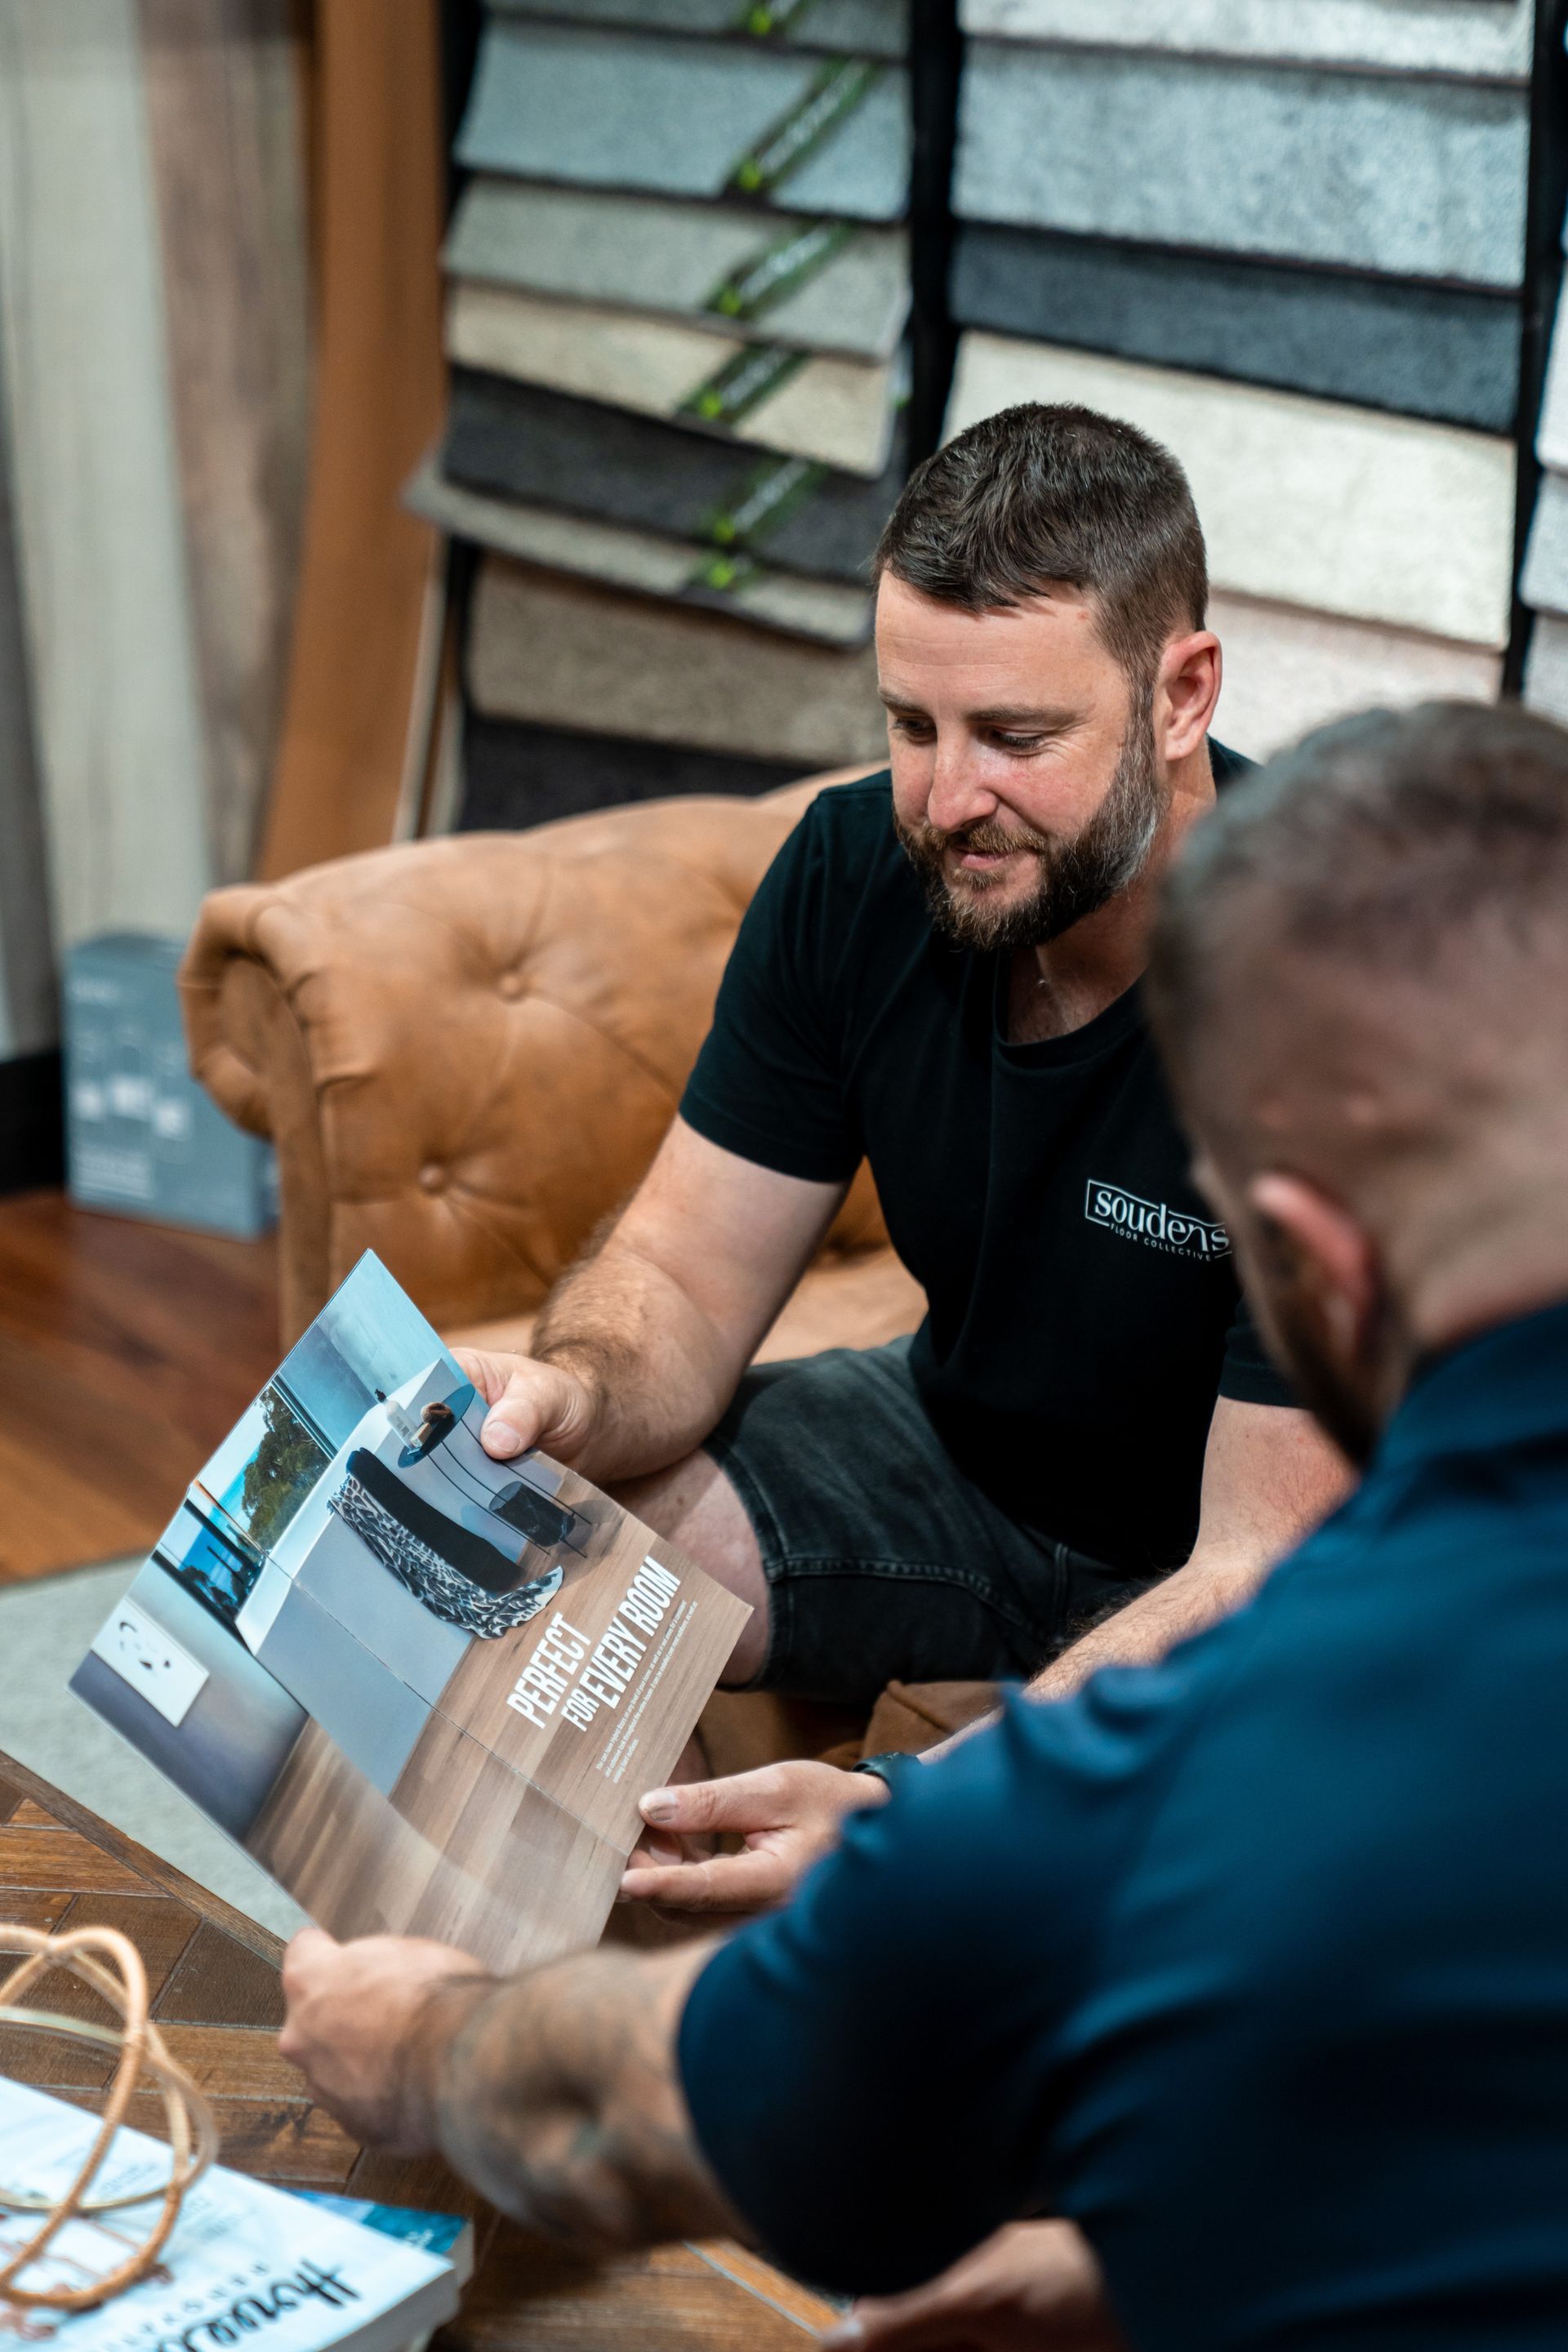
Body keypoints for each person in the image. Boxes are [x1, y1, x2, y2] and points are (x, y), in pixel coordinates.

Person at [279, 702, 1568, 2347]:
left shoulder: (1184, 1780)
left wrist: (431, 2049)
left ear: (1315, 1253)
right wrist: (1118, 2274)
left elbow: (629, 2115)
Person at [457, 402, 1347, 1711]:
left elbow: (1255, 1564)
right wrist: (573, 1394)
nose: (944, 802)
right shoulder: (854, 866)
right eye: (912, 726)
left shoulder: (1337, 985)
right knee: (519, 1571)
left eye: (1014, 737)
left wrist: (915, 1818)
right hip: (953, 1453)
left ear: (1182, 694)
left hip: (1233, 1562)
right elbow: (685, 1280)